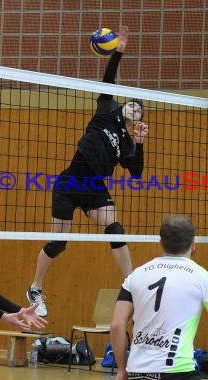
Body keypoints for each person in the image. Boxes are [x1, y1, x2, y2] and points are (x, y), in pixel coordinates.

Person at [27, 25, 149, 318]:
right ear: (123, 105)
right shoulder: (106, 109)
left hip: (95, 186)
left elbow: (136, 174)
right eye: (133, 105)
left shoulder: (127, 142)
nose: (136, 110)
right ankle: (35, 287)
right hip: (70, 182)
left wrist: (140, 142)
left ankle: (130, 281)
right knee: (59, 243)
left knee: (115, 228)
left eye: (140, 111)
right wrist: (119, 51)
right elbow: (108, 80)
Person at [110, 214, 208, 380]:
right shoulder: (203, 278)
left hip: (137, 372)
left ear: (160, 242)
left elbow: (117, 325)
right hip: (178, 372)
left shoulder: (135, 276)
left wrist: (121, 369)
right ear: (193, 243)